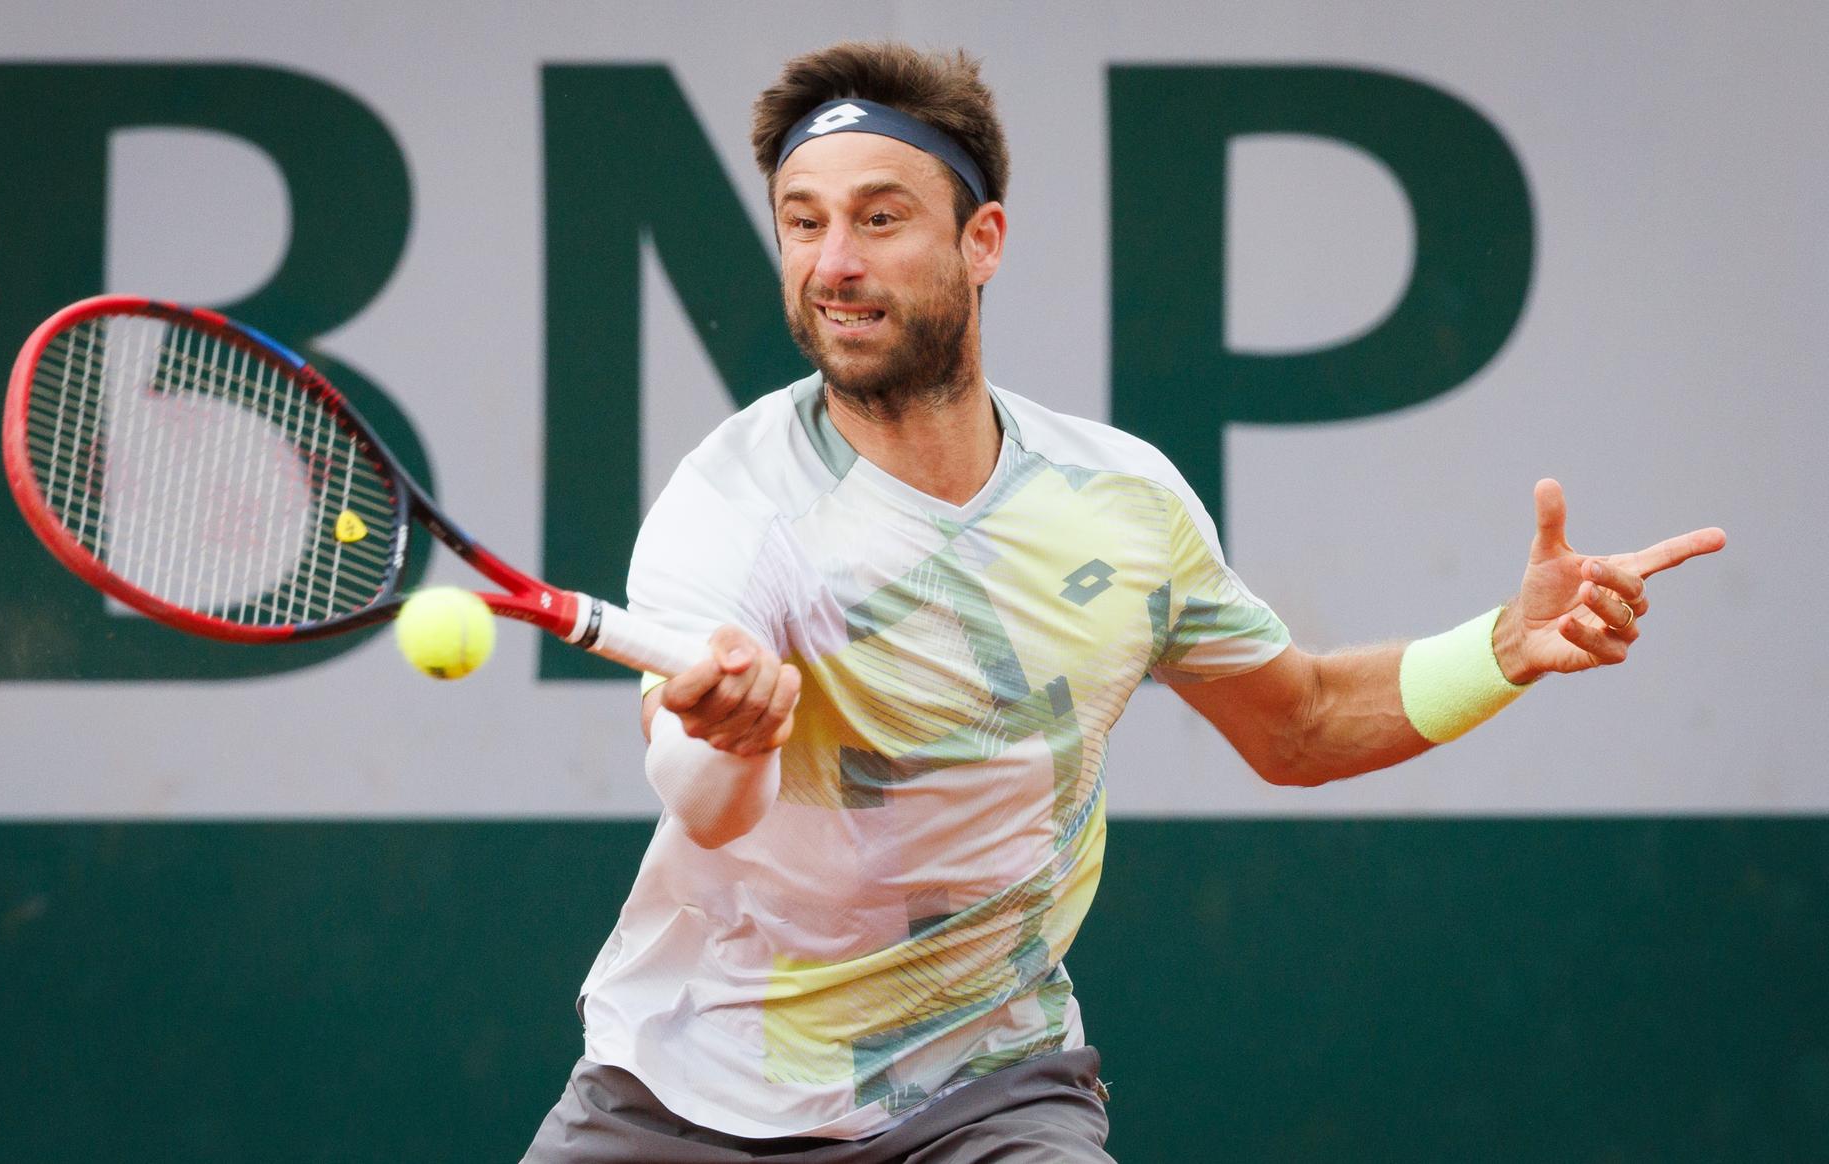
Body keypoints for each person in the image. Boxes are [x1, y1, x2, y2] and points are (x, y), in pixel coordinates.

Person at [521, 42, 1725, 1164]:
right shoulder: (729, 504)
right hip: (689, 1092)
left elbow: (1296, 726)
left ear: (981, 240)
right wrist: (731, 737)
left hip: (985, 1087)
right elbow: (703, 797)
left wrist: (1505, 648)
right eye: (803, 223)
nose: (834, 263)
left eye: (880, 220)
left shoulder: (1123, 502)